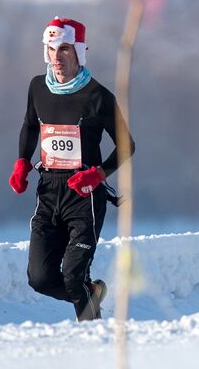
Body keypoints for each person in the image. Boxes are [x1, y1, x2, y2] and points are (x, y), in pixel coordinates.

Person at [9, 17, 133, 321]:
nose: (57, 56)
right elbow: (29, 125)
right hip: (49, 191)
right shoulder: (38, 87)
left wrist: (99, 174)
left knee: (74, 275)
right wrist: (22, 162)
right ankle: (91, 294)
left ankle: (92, 333)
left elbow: (126, 145)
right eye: (51, 49)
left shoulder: (98, 97)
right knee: (39, 279)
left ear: (79, 51)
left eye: (64, 48)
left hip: (85, 193)